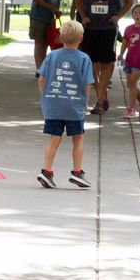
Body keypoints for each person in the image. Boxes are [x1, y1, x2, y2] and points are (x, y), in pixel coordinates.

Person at [37, 20, 94, 189]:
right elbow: (87, 85)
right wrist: (85, 103)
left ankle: (46, 171)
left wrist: (46, 97)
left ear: (60, 37)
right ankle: (77, 173)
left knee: (54, 138)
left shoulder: (51, 56)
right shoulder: (84, 59)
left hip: (53, 105)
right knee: (78, 138)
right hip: (74, 106)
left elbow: (41, 79)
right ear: (81, 38)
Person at [73, 0, 131, 115]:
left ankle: (99, 101)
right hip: (89, 29)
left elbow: (129, 1)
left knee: (106, 64)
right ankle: (101, 92)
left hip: (108, 29)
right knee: (88, 63)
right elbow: (77, 0)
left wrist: (118, 16)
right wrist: (83, 16)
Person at [30, 0, 63, 71]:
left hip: (51, 18)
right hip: (38, 16)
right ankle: (40, 70)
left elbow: (57, 2)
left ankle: (43, 69)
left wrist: (57, 12)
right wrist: (51, 8)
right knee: (39, 42)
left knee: (46, 44)